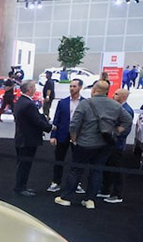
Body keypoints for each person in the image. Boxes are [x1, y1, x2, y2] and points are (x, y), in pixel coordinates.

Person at [55, 81, 133, 209]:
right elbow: (128, 120)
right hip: (105, 144)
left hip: (85, 143)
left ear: (94, 90)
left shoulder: (85, 104)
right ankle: (90, 200)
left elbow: (74, 125)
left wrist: (74, 139)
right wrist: (117, 131)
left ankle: (66, 197)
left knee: (76, 170)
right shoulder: (115, 105)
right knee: (97, 171)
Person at [13, 79, 55, 196]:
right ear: (29, 89)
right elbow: (36, 121)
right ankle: (21, 188)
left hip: (21, 138)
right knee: (25, 165)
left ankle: (21, 186)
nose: (36, 90)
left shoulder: (20, 101)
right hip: (27, 140)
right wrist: (50, 127)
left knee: (22, 165)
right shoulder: (28, 104)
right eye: (34, 88)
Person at [48, 78, 85, 193]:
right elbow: (56, 119)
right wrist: (53, 135)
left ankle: (76, 183)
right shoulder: (62, 102)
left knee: (78, 160)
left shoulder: (85, 103)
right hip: (62, 134)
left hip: (78, 136)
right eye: (71, 86)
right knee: (59, 159)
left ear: (80, 87)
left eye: (74, 86)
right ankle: (56, 182)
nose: (72, 88)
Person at [99, 88, 134, 203]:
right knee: (108, 168)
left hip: (117, 145)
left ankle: (117, 194)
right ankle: (105, 189)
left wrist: (113, 135)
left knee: (116, 169)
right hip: (110, 143)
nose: (113, 95)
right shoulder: (117, 108)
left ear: (123, 97)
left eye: (116, 94)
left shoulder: (126, 110)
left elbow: (124, 130)